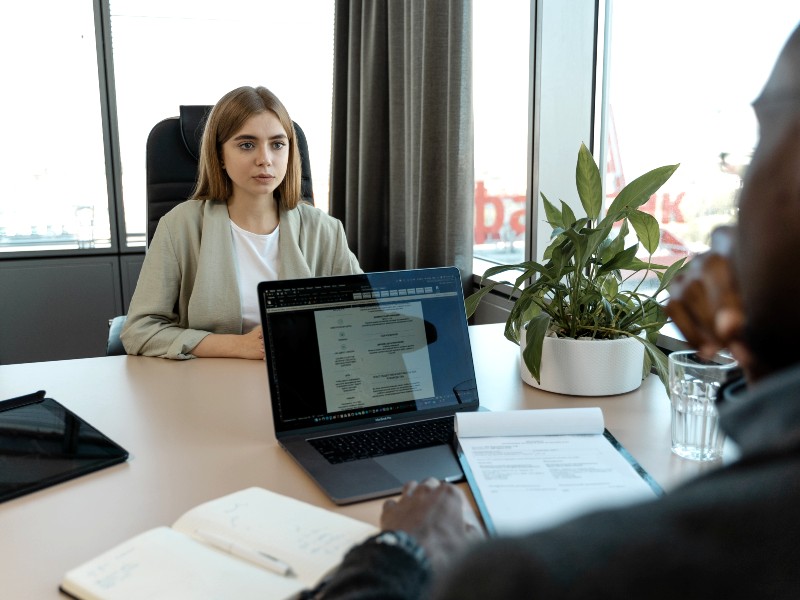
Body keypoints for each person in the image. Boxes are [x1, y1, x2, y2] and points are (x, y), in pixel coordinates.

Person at [303, 23, 800, 599]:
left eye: (763, 136)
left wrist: (397, 550)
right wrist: (762, 342)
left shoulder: (535, 575)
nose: (736, 201)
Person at [121, 86, 362, 360]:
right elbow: (139, 330)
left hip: (301, 381)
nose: (265, 159)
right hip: (209, 384)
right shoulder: (179, 226)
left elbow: (365, 315)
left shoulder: (325, 230)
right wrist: (239, 346)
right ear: (220, 155)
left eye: (277, 144)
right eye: (247, 145)